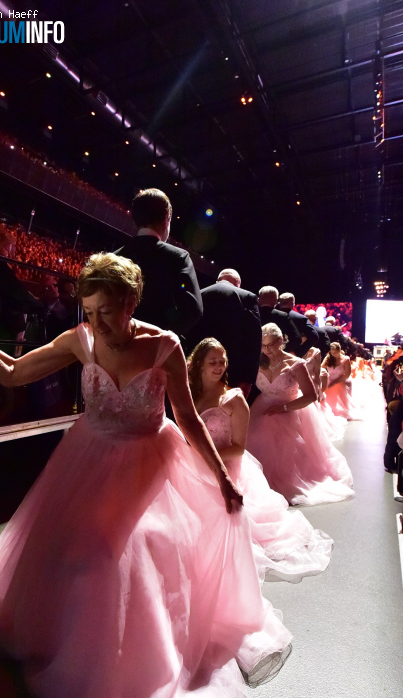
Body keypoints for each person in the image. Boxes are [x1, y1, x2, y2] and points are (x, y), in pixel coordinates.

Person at [0, 253, 292, 698]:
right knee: (71, 550)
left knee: (120, 556)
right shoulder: (81, 338)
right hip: (87, 456)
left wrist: (222, 477)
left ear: (132, 302)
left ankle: (122, 671)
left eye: (107, 310)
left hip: (149, 463)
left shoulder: (164, 346)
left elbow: (188, 419)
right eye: (88, 311)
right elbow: (16, 372)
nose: (97, 323)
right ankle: (68, 646)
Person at [188, 338, 333, 583]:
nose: (219, 366)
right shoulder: (190, 395)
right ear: (198, 365)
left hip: (225, 467)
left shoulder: (233, 400)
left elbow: (238, 448)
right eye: (212, 362)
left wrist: (202, 454)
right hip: (193, 465)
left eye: (222, 361)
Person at [246, 324, 354, 506]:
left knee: (288, 454)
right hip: (261, 409)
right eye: (263, 345)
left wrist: (285, 408)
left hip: (290, 411)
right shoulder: (259, 360)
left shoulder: (295, 364)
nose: (266, 350)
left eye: (270, 345)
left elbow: (311, 396)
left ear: (281, 341)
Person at [115, 188, 202, 346]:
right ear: (167, 218)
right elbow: (193, 309)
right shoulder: (178, 257)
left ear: (135, 220)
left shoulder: (113, 258)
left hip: (117, 348)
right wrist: (162, 337)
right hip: (156, 353)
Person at [187, 268, 261, 397]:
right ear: (238, 283)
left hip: (199, 365)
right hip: (233, 369)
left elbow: (188, 329)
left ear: (218, 280)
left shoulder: (199, 295)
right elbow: (254, 340)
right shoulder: (247, 297)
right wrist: (248, 378)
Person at [322, 342, 361, 420]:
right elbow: (321, 368)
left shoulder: (345, 359)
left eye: (335, 353)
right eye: (332, 352)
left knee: (338, 388)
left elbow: (346, 375)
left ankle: (344, 411)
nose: (333, 354)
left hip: (342, 380)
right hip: (330, 380)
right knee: (328, 393)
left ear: (339, 350)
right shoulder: (328, 358)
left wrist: (335, 382)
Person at [257, 286, 301, 355]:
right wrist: (281, 351)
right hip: (276, 358)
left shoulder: (250, 315)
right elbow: (297, 339)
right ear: (275, 300)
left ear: (259, 299)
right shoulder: (282, 316)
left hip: (255, 358)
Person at [278, 293, 318, 357]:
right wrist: (298, 352)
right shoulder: (300, 318)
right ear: (293, 304)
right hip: (291, 356)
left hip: (271, 355)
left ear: (279, 303)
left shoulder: (271, 316)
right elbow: (314, 336)